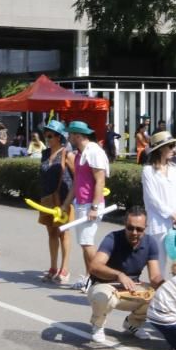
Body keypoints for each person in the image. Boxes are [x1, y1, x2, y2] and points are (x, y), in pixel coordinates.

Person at [87, 206, 164, 342]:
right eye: (130, 227)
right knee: (102, 297)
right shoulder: (112, 238)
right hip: (106, 285)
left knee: (159, 295)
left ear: (145, 228)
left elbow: (155, 277)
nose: (134, 232)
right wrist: (118, 275)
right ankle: (98, 325)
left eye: (139, 229)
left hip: (131, 288)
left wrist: (169, 285)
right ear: (125, 225)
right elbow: (94, 266)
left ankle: (132, 324)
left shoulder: (150, 243)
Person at [59, 121, 109, 286]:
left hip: (91, 205)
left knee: (88, 243)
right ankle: (89, 277)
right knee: (84, 243)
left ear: (78, 135)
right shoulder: (80, 153)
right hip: (81, 203)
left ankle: (99, 279)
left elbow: (100, 180)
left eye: (70, 134)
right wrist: (66, 203)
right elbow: (77, 182)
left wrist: (94, 207)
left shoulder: (94, 152)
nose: (68, 137)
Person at [141, 131, 176, 275]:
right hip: (158, 224)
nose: (174, 148)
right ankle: (158, 295)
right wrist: (173, 215)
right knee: (159, 265)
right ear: (161, 148)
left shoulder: (174, 168)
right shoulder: (148, 171)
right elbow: (153, 199)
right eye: (171, 145)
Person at [37, 120, 75, 284]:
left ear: (59, 137)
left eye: (50, 135)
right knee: (51, 232)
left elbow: (78, 177)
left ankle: (64, 269)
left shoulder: (67, 153)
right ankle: (53, 267)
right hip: (46, 197)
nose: (47, 138)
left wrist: (72, 199)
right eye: (46, 135)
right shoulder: (45, 154)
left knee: (63, 233)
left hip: (63, 198)